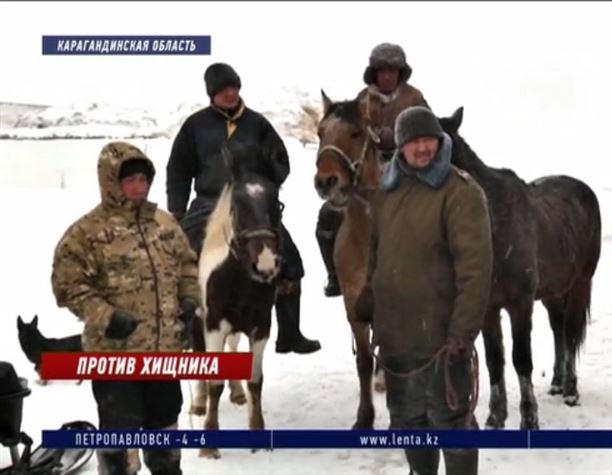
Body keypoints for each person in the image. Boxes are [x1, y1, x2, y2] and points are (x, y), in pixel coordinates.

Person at [51, 142, 200, 475]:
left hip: (163, 354)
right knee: (120, 438)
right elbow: (67, 286)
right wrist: (106, 317)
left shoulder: (164, 224)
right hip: (115, 357)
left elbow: (188, 266)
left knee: (164, 431)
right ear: (110, 181)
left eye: (143, 179)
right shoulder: (86, 233)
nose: (138, 187)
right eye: (129, 179)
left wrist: (190, 299)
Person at [360, 106, 492, 475]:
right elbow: (375, 252)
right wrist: (370, 296)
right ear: (400, 146)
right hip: (397, 340)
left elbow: (476, 270)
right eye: (413, 141)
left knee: (452, 425)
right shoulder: (386, 191)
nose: (422, 148)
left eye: (428, 139)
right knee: (408, 425)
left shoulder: (460, 193)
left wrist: (462, 333)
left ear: (440, 140)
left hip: (441, 342)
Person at [166, 62, 320, 354]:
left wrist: (263, 184)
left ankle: (289, 333)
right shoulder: (195, 126)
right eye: (223, 89)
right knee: (178, 257)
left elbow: (281, 161)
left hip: (251, 203)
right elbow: (178, 169)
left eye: (234, 87)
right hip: (210, 202)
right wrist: (177, 210)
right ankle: (184, 329)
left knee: (290, 261)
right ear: (212, 93)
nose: (230, 93)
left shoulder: (257, 124)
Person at [316, 43, 430, 298]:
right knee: (326, 218)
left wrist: (399, 138)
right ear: (374, 73)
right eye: (381, 71)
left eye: (392, 71)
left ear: (401, 73)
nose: (387, 76)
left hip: (407, 170)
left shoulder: (414, 98)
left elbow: (428, 132)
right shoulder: (362, 99)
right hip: (367, 170)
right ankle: (336, 277)